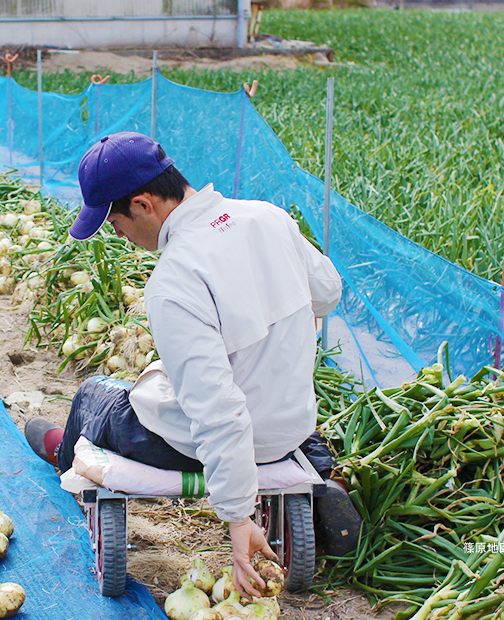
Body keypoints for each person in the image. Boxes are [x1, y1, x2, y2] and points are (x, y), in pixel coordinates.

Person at [24, 132, 361, 598]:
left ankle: (64, 452)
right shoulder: (269, 218)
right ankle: (321, 471)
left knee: (94, 395)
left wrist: (239, 518)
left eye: (115, 223)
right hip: (293, 428)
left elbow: (217, 410)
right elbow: (327, 293)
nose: (118, 235)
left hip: (198, 447)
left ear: (143, 204)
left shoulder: (174, 279)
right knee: (260, 383)